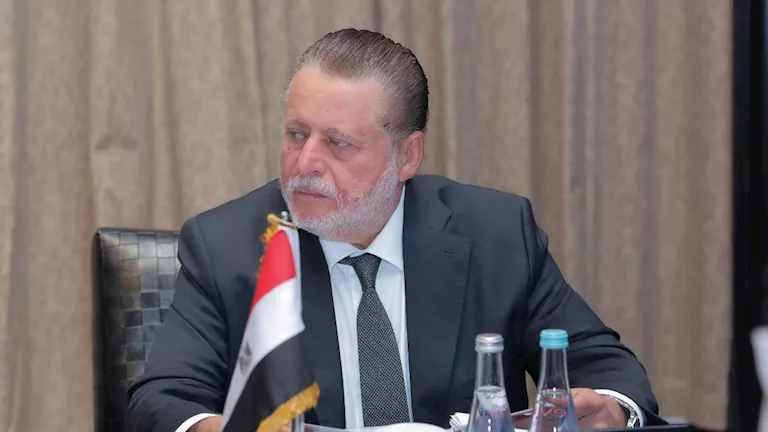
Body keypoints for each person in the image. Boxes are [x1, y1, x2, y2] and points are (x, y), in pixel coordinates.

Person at [127, 28, 662, 432]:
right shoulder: (227, 245)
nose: (305, 162)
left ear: (408, 155)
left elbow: (609, 370)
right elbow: (163, 400)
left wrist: (611, 409)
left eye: (338, 143)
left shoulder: (496, 234)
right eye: (296, 134)